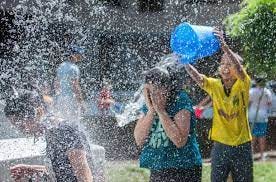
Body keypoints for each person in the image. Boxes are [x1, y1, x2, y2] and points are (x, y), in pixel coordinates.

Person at [184, 29, 253, 182]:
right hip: (220, 146)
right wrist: (185, 61)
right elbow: (199, 78)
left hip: (242, 146)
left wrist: (224, 46)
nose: (225, 66)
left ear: (239, 68)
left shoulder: (243, 83)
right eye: (222, 63)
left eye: (230, 63)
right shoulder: (215, 85)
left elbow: (240, 71)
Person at [4, 89, 93, 182]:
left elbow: (85, 178)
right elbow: (63, 172)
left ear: (37, 113)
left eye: (22, 126)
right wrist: (32, 170)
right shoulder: (52, 134)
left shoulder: (67, 131)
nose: (24, 131)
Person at [134, 67, 202, 182]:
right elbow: (139, 139)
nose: (151, 95)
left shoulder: (180, 100)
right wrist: (151, 112)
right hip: (159, 166)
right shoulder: (148, 103)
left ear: (167, 88)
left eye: (154, 91)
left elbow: (179, 141)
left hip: (184, 167)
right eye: (148, 91)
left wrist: (161, 112)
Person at [55, 45, 85, 122]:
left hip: (61, 99)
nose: (81, 56)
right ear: (74, 55)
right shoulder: (74, 68)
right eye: (80, 54)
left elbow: (56, 83)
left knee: (62, 121)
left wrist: (58, 97)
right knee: (73, 122)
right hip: (71, 99)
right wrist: (81, 102)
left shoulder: (61, 66)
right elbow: (75, 86)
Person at [249, 78, 272, 160]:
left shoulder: (251, 91)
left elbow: (249, 103)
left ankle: (250, 155)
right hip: (263, 115)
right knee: (262, 135)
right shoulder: (267, 91)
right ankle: (262, 155)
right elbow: (269, 103)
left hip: (252, 114)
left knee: (253, 134)